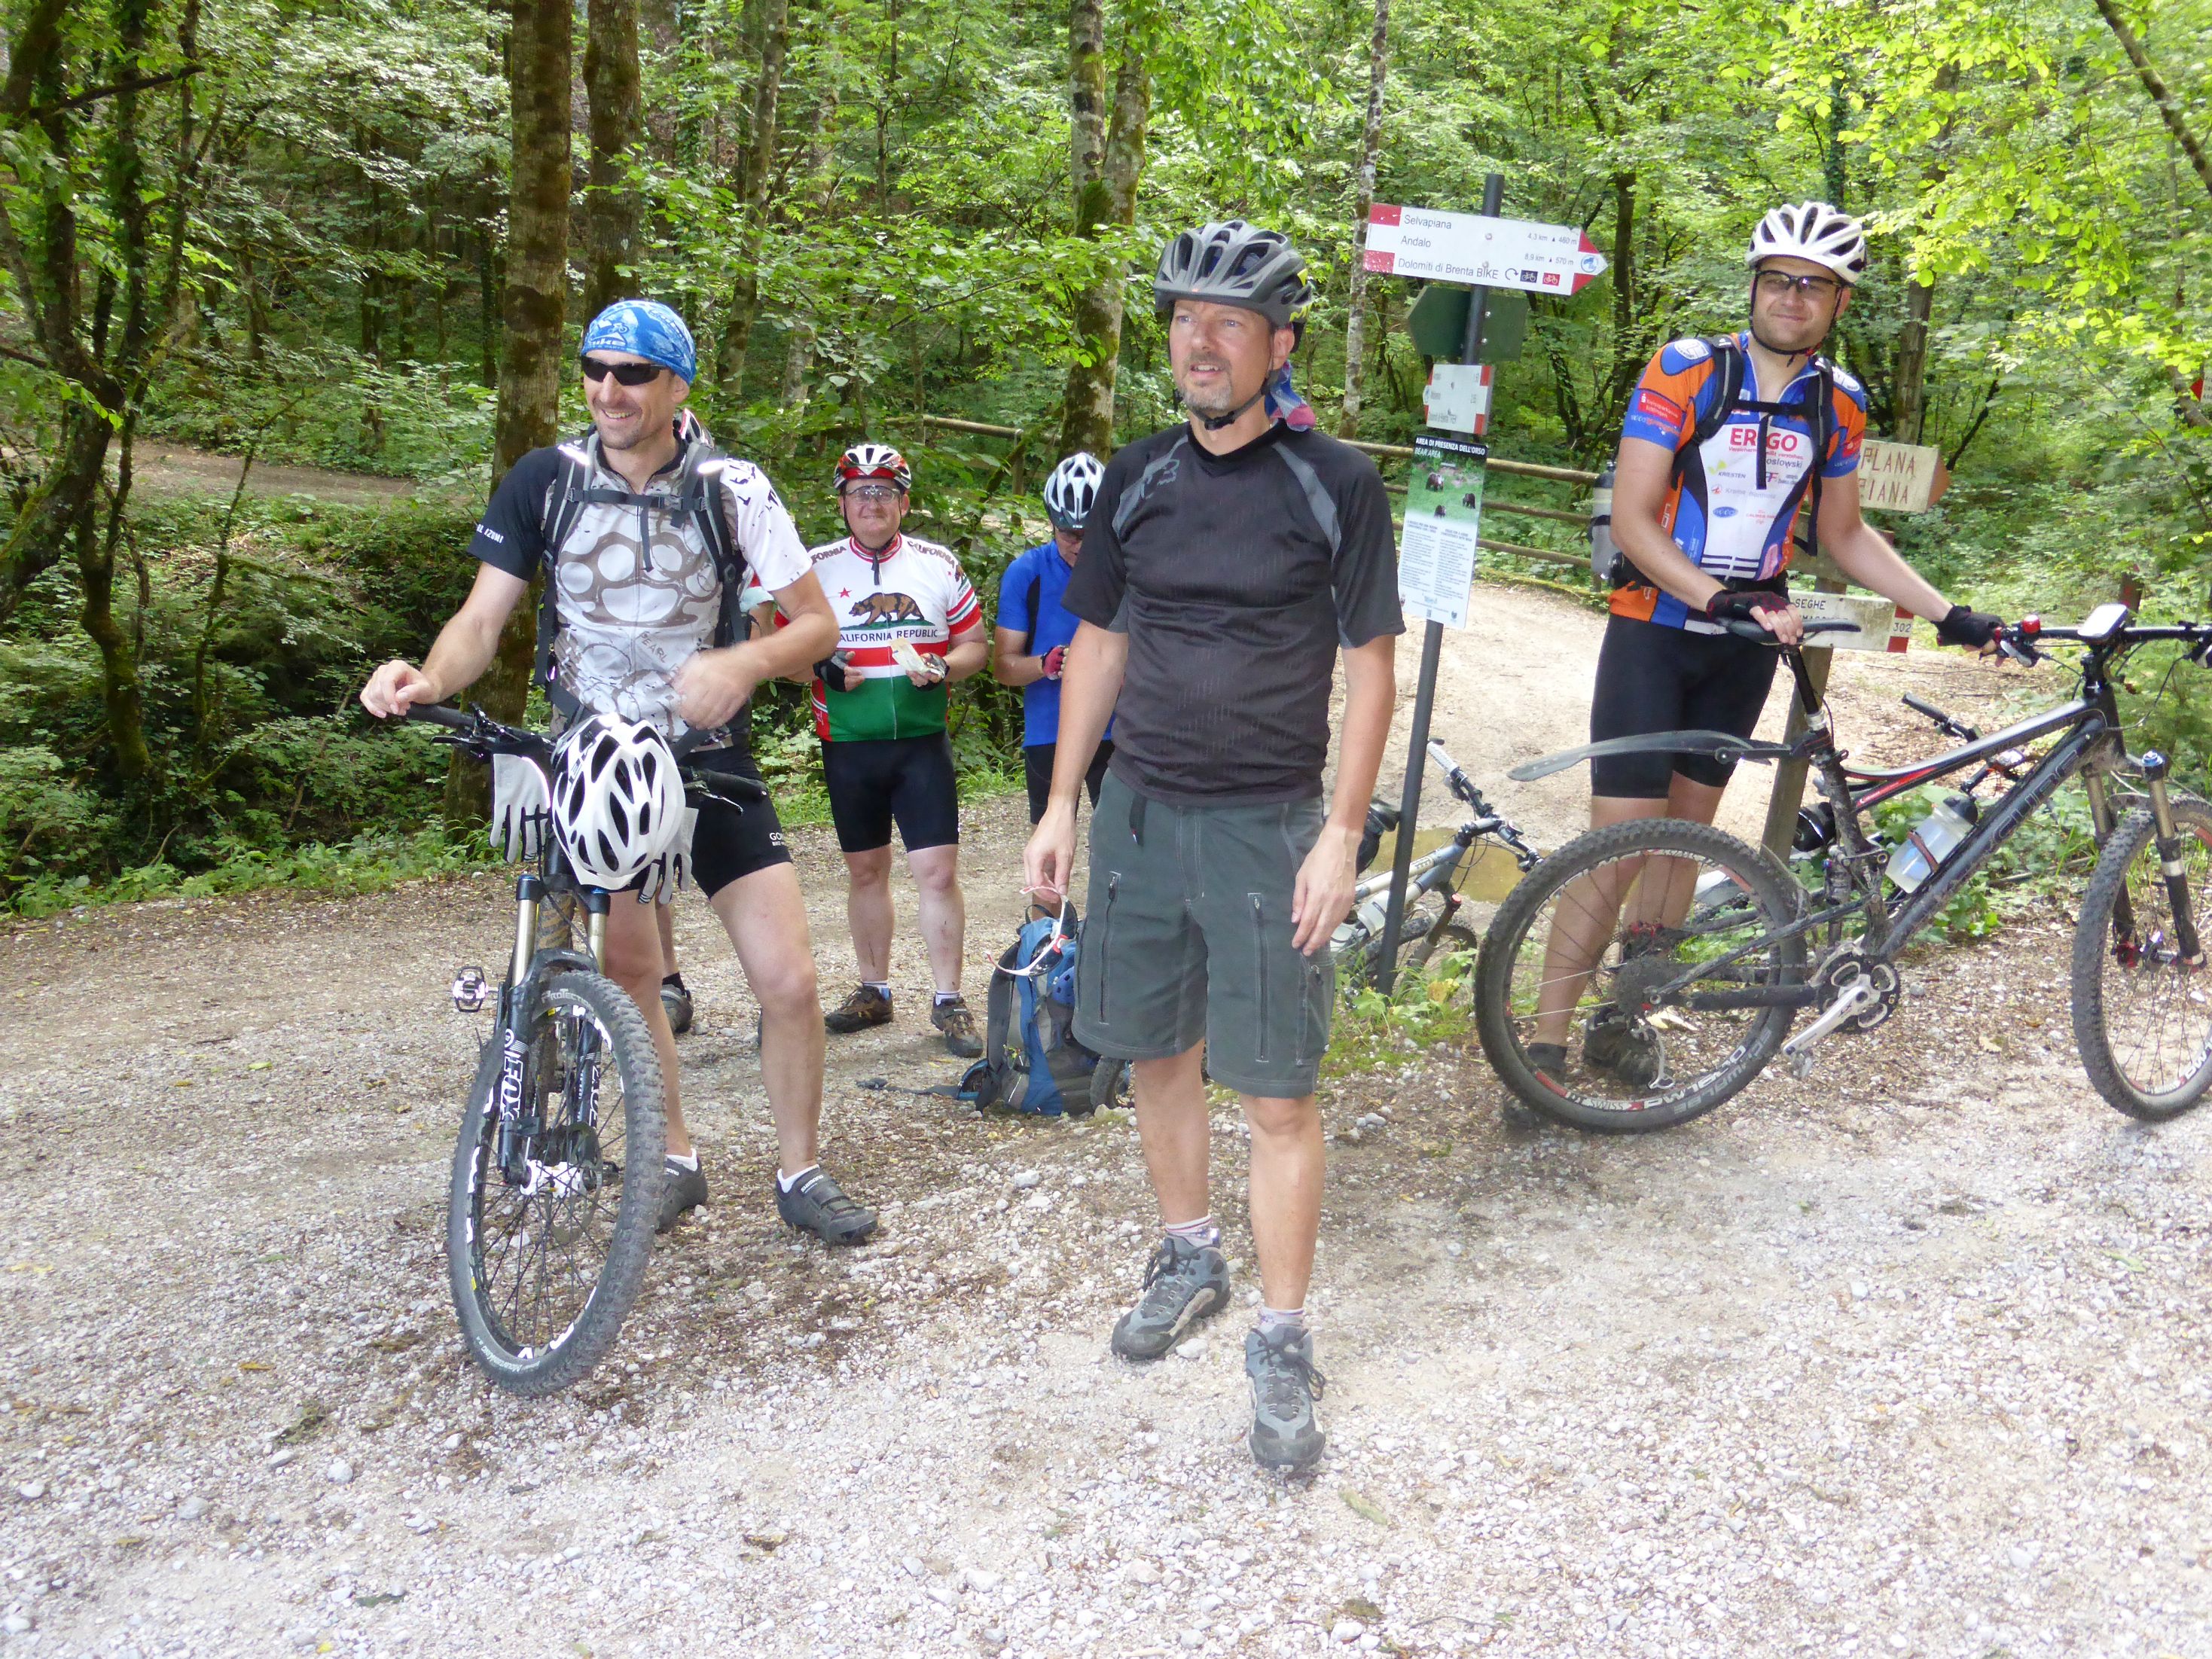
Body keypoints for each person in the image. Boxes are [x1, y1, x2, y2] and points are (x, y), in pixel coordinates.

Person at [359, 298, 877, 1246]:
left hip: (707, 758)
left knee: (791, 981)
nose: (609, 390)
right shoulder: (543, 480)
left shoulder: (735, 487)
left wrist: (740, 664)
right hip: (593, 759)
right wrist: (425, 676)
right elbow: (483, 620)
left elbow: (816, 626)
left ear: (677, 385)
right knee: (633, 970)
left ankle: (800, 1169)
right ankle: (673, 1156)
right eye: (596, 370)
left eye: (632, 374)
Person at [1024, 220, 1402, 1472]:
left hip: (1266, 825)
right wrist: (1060, 804)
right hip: (1139, 814)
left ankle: (1282, 1336)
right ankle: (1189, 1252)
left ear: (1280, 344)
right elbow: (1101, 646)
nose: (1198, 338)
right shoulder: (1135, 476)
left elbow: (1369, 671)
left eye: (1227, 321)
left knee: (1279, 1092)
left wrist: (1340, 832)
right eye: (1184, 316)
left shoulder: (1332, 484)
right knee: (1150, 1050)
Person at [1527, 201, 2003, 1085]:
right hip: (1656, 633)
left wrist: (1946, 612)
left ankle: (1624, 1016)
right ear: (1755, 284)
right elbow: (1633, 519)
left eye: (1814, 284)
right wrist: (1722, 598)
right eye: (1778, 279)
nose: (1793, 296)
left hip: (1744, 648)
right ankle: (1544, 1047)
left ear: (1839, 302)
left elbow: (1848, 535)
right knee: (1618, 842)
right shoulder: (1686, 369)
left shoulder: (1840, 403)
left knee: (1685, 839)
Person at [790, 443, 990, 1059]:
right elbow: (779, 653)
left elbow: (976, 645)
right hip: (848, 745)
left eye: (883, 491)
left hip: (920, 745)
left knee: (937, 871)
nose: (870, 503)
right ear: (843, 504)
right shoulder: (815, 567)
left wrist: (942, 664)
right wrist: (819, 667)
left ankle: (948, 998)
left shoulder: (936, 563)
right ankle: (874, 990)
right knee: (865, 870)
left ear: (903, 501)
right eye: (858, 492)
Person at [992, 452, 1115, 824]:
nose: (1081, 545)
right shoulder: (1027, 573)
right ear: (1052, 524)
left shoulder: (1128, 569)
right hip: (1051, 727)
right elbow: (1004, 667)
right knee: (1047, 845)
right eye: (1070, 534)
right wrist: (1046, 663)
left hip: (1120, 730)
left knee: (1127, 850)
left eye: (1091, 533)